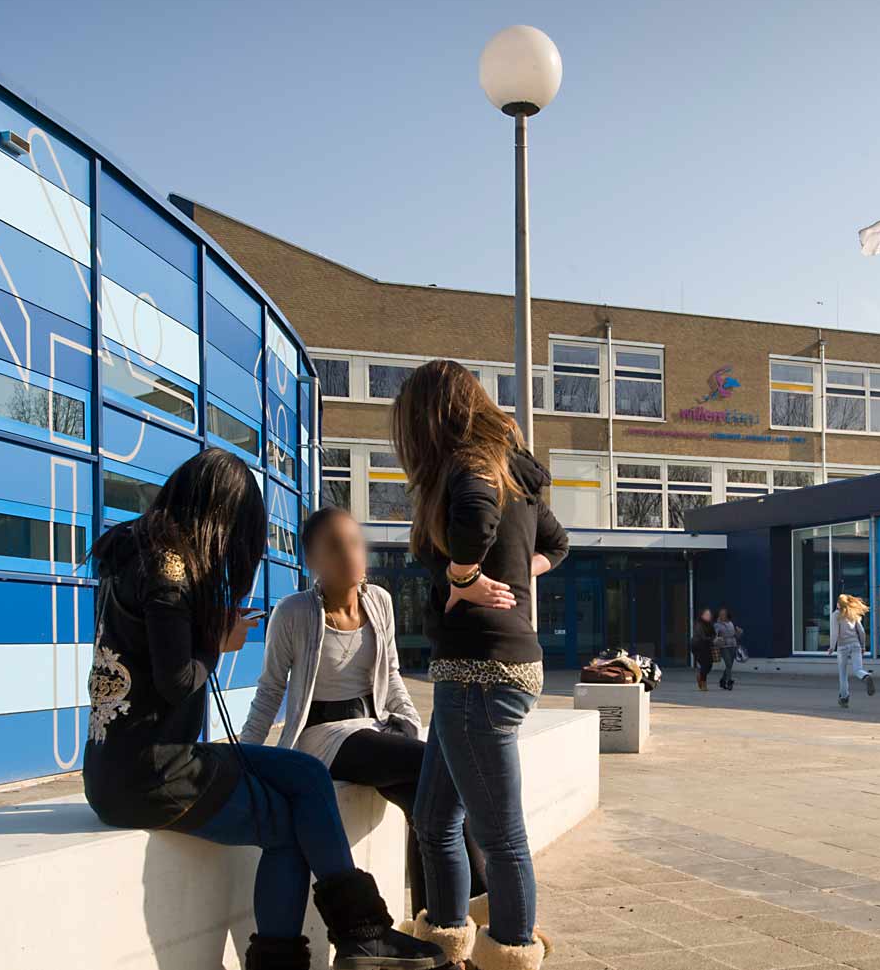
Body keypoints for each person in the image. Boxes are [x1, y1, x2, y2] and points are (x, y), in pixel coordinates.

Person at [82, 449, 445, 970]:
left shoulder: (132, 549)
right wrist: (217, 641)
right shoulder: (170, 569)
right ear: (221, 518)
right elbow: (177, 681)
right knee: (287, 825)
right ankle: (356, 937)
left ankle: (363, 934)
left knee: (303, 774)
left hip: (122, 766)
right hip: (155, 774)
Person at [393, 359, 569, 970]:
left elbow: (472, 521)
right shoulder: (508, 471)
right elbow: (557, 542)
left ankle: (512, 954)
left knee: (500, 837)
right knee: (435, 819)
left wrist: (463, 576)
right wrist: (516, 574)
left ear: (428, 418)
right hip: (483, 672)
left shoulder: (469, 467)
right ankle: (446, 942)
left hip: (482, 672)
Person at [244, 505, 490, 919]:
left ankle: (435, 930)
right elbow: (270, 690)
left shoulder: (379, 601)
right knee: (440, 766)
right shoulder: (294, 613)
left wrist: (410, 724)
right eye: (335, 547)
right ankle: (485, 903)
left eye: (356, 544)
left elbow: (391, 674)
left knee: (426, 806)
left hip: (375, 727)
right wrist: (245, 756)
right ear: (312, 560)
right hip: (324, 736)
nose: (351, 555)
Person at [830, 593, 874, 707]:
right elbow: (862, 632)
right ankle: (866, 676)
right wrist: (863, 646)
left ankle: (844, 698)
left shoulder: (835, 615)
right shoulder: (853, 614)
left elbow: (835, 633)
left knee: (843, 675)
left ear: (839, 604)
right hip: (855, 645)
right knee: (858, 669)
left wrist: (831, 646)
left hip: (842, 647)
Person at [713, 607, 741, 691]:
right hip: (724, 646)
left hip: (733, 645)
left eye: (724, 614)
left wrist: (739, 632)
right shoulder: (717, 624)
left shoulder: (731, 623)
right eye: (721, 614)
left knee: (730, 665)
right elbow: (715, 635)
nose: (722, 615)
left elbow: (735, 635)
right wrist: (717, 639)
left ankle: (722, 680)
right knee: (728, 663)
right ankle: (729, 681)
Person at [691, 608, 717, 691]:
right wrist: (712, 639)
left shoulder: (710, 624)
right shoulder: (699, 624)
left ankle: (700, 677)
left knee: (709, 664)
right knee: (704, 665)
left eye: (709, 614)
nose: (709, 616)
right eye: (706, 614)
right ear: (702, 616)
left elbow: (714, 634)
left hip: (707, 646)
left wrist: (715, 638)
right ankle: (703, 684)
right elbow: (702, 637)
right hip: (698, 646)